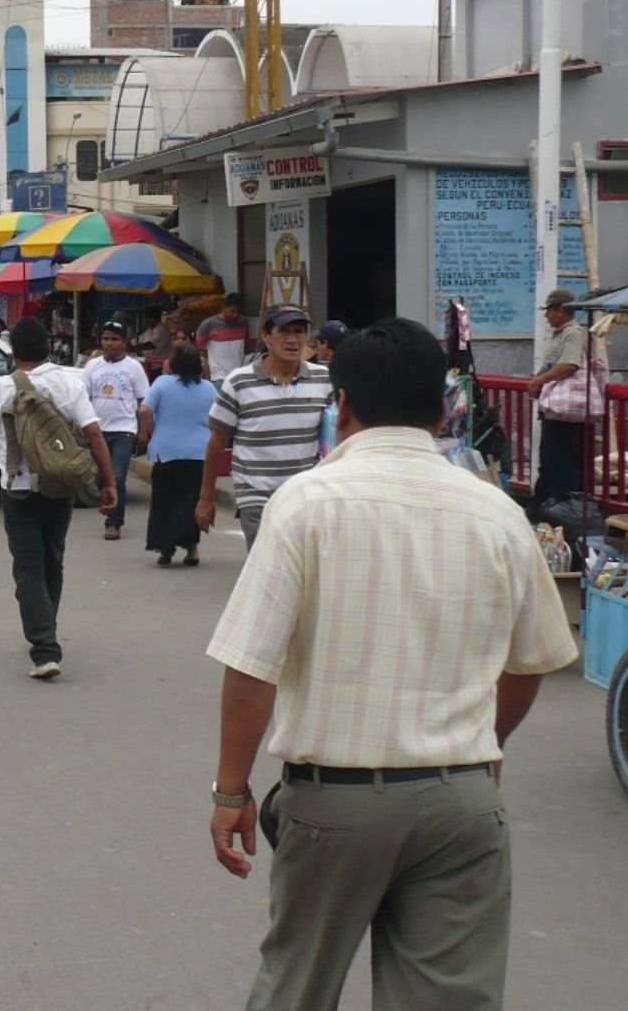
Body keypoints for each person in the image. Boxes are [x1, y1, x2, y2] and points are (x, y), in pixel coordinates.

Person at [206, 317, 578, 1010]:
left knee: (296, 987)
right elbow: (532, 661)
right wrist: (483, 741)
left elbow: (251, 665)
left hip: (335, 802)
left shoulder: (306, 503)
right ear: (442, 409)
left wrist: (231, 790)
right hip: (462, 803)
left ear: (340, 405)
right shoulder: (497, 512)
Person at [0, 318, 119, 680]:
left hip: (18, 490)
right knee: (53, 558)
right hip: (61, 486)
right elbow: (93, 433)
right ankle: (45, 626)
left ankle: (44, 647)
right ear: (49, 348)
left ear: (14, 352)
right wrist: (109, 482)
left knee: (28, 567)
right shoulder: (68, 383)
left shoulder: (4, 387)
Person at [197, 304, 330, 552]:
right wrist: (206, 498)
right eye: (284, 331)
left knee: (303, 573)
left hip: (304, 496)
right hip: (256, 496)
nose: (293, 340)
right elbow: (217, 440)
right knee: (267, 570)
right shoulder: (239, 381)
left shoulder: (323, 379)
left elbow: (333, 439)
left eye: (299, 332)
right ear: (266, 336)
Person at [142, 342, 216, 567]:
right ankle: (192, 549)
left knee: (165, 501)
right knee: (192, 501)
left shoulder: (162, 383)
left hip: (167, 451)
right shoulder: (209, 388)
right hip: (199, 453)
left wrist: (152, 431)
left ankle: (166, 548)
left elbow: (144, 410)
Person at [85, 321, 152, 542]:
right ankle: (107, 503)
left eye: (114, 339)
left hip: (124, 429)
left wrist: (144, 431)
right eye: (106, 338)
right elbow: (84, 398)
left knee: (117, 476)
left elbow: (144, 401)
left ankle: (114, 523)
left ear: (124, 343)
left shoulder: (133, 368)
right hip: (98, 430)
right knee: (97, 479)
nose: (109, 343)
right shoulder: (93, 366)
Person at [528, 287, 588, 508]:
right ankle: (540, 505)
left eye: (550, 310)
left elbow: (569, 365)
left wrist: (538, 381)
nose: (547, 315)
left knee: (559, 458)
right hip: (554, 407)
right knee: (550, 457)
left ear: (561, 311)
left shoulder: (573, 333)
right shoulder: (562, 333)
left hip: (565, 409)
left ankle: (563, 505)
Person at [196, 292, 251, 383]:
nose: (235, 315)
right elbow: (199, 347)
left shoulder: (243, 322)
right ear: (223, 308)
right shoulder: (208, 325)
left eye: (238, 312)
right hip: (218, 376)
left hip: (239, 375)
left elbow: (246, 346)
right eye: (232, 311)